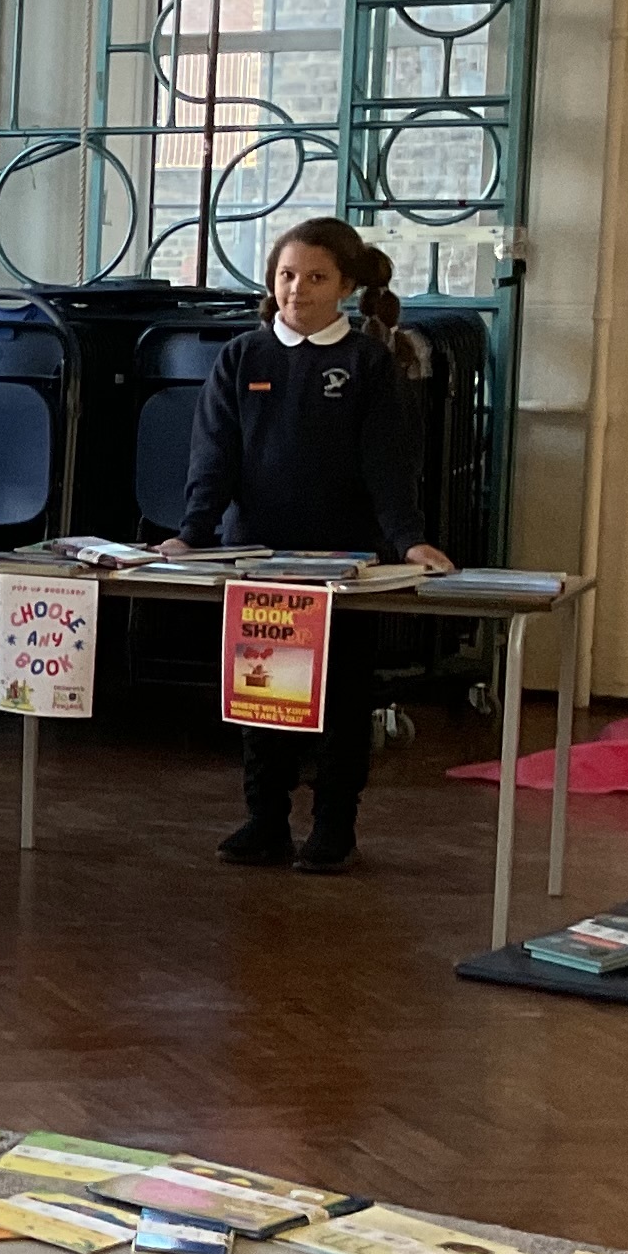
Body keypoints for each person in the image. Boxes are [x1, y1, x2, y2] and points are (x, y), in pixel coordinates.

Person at [174, 214, 454, 874]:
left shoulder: (368, 363)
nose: (297, 289)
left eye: (316, 278)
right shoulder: (243, 357)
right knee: (264, 690)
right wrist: (192, 534)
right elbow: (214, 454)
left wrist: (408, 540)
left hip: (345, 560)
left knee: (341, 697)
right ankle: (265, 819)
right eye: (287, 275)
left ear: (347, 286)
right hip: (259, 555)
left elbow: (389, 465)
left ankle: (334, 825)